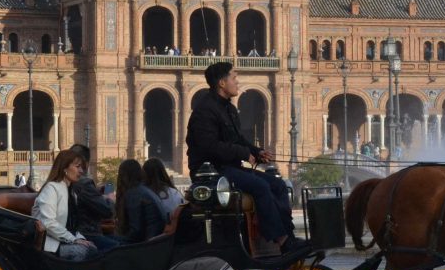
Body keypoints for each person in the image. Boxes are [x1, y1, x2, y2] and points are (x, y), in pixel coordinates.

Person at [186, 61, 309, 254]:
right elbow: (208, 147)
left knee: (279, 185)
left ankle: (288, 236)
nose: (238, 82)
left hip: (230, 168)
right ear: (221, 83)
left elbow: (238, 139)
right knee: (259, 186)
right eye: (234, 78)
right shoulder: (205, 110)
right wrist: (243, 153)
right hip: (212, 173)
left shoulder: (229, 109)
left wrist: (256, 151)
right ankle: (281, 241)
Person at [31, 149, 98, 261]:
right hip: (50, 244)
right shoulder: (51, 188)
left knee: (93, 248)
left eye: (82, 167)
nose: (81, 171)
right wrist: (74, 240)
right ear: (65, 168)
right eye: (77, 167)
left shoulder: (71, 192)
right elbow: (48, 223)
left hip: (63, 240)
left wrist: (80, 239)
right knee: (83, 252)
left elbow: (72, 226)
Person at [68, 143, 119, 251]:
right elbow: (108, 211)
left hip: (76, 232)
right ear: (86, 163)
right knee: (121, 248)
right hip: (87, 234)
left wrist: (96, 192)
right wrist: (110, 197)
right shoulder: (83, 183)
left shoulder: (67, 180)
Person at [115, 159, 166, 243]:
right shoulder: (143, 190)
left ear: (124, 176)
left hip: (147, 245)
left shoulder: (134, 193)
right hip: (155, 241)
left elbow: (136, 232)